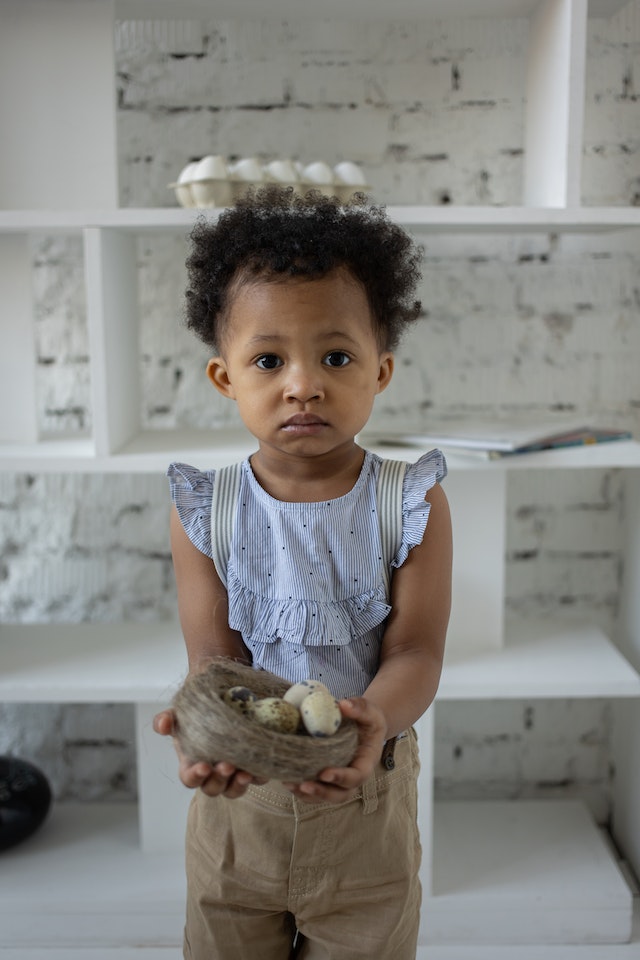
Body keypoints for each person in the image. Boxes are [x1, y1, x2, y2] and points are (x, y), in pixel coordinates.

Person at [154, 185, 452, 960]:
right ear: (226, 377)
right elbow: (212, 666)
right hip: (239, 813)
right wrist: (206, 734)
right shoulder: (206, 510)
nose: (303, 383)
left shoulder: (410, 502)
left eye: (336, 356)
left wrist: (370, 721)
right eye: (268, 359)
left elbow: (416, 653)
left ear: (380, 370)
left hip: (367, 803)